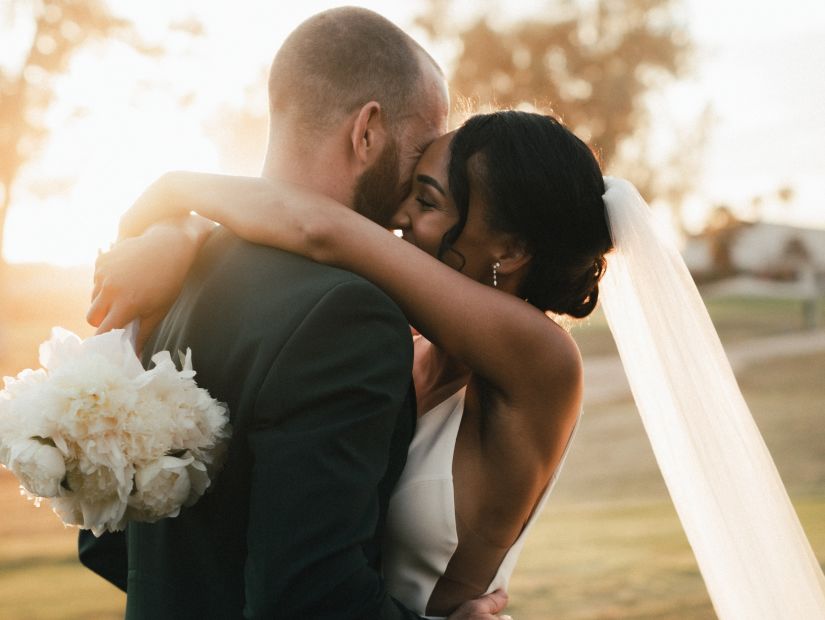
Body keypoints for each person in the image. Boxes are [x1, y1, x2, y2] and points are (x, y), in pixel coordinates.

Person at [94, 109, 825, 619]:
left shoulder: (541, 361)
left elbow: (323, 232)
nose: (398, 219)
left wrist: (174, 194)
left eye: (429, 200)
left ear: (507, 250)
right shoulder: (410, 350)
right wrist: (183, 242)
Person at [78, 8, 511, 620]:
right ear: (367, 132)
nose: (419, 181)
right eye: (419, 150)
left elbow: (107, 538)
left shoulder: (176, 279)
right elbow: (310, 601)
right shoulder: (349, 315)